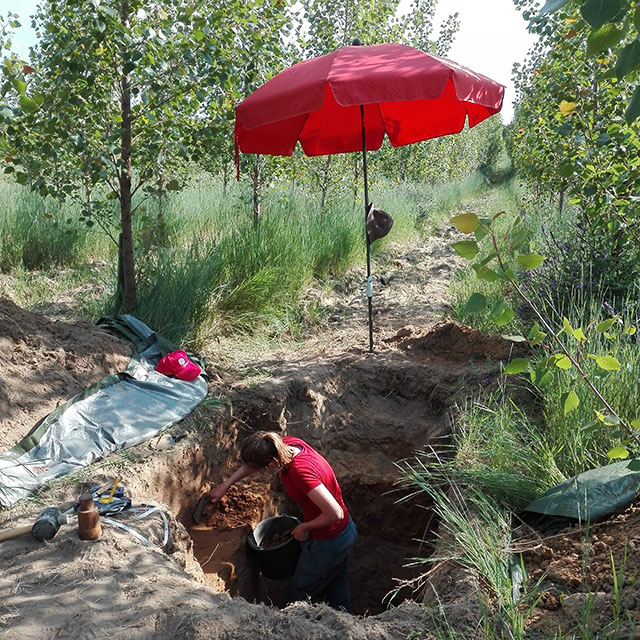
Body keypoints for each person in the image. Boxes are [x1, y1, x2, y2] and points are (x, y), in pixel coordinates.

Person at [209, 431, 357, 612]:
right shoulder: (284, 445)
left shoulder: (301, 473)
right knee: (336, 587)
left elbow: (335, 513)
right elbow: (252, 464)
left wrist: (305, 527)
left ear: (271, 464)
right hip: (343, 533)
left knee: (297, 595)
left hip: (328, 541)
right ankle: (346, 625)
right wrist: (226, 485)